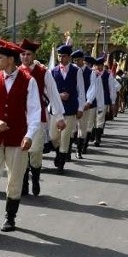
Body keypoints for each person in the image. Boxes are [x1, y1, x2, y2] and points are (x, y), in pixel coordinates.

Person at [0, 39, 41, 236]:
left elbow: (34, 111)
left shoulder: (29, 81)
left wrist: (29, 135)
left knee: (15, 178)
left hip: (18, 138)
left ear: (10, 60)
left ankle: (10, 217)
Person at [18, 39, 65, 196]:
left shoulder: (43, 72)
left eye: (28, 54)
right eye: (22, 54)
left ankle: (36, 177)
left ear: (33, 55)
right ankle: (24, 183)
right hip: (19, 118)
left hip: (37, 117)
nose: (25, 57)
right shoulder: (16, 72)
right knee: (21, 151)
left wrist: (59, 116)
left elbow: (53, 94)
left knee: (36, 151)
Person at [48, 45, 84, 174]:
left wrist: (80, 108)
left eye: (63, 56)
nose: (61, 58)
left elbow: (81, 91)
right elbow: (48, 91)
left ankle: (61, 162)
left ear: (69, 57)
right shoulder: (53, 71)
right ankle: (58, 152)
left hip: (69, 109)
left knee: (65, 136)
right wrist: (59, 96)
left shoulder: (76, 71)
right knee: (54, 136)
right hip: (55, 110)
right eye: (59, 56)